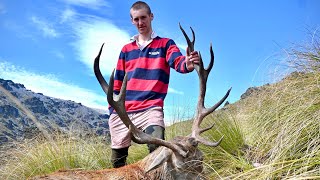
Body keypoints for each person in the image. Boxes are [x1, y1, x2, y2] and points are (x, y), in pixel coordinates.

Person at [108, 1, 200, 168]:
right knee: (117, 160)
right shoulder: (126, 50)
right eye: (136, 19)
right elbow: (117, 83)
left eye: (143, 17)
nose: (140, 23)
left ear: (151, 17)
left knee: (158, 151)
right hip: (124, 111)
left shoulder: (165, 44)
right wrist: (113, 111)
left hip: (150, 109)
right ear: (132, 21)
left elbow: (178, 62)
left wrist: (187, 63)